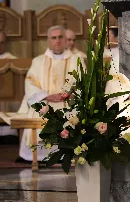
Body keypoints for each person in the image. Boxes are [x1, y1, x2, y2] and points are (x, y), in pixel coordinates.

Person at [0, 25, 83, 162]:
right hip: (45, 101)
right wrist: (46, 96)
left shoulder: (76, 60)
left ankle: (67, 154)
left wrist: (69, 94)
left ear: (64, 40)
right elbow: (30, 83)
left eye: (60, 37)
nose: (57, 41)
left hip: (68, 101)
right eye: (53, 38)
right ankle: (36, 156)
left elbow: (82, 82)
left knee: (73, 114)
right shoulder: (38, 61)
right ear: (48, 41)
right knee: (37, 111)